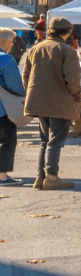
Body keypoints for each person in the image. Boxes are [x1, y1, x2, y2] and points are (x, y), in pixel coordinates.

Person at [22, 17, 81, 190]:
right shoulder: (66, 50)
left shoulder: (35, 48)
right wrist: (78, 94)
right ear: (67, 32)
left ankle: (40, 178)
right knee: (55, 140)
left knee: (45, 141)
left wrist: (34, 93)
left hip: (38, 102)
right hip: (60, 103)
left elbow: (26, 78)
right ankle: (52, 177)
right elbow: (72, 80)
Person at [0, 29, 24, 185]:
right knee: (7, 140)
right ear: (3, 42)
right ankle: (2, 176)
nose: (11, 45)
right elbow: (15, 85)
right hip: (3, 109)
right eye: (11, 42)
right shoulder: (6, 59)